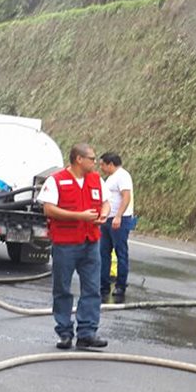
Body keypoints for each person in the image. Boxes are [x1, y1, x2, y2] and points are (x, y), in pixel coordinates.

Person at [38, 143, 109, 350]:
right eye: (92, 159)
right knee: (62, 288)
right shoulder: (56, 181)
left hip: (90, 242)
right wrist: (79, 216)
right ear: (79, 159)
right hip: (65, 244)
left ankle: (87, 332)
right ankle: (64, 332)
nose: (95, 162)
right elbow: (48, 209)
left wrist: (104, 213)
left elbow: (105, 201)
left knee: (92, 288)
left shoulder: (95, 180)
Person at [98, 151, 135, 302]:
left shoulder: (122, 176)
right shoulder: (110, 178)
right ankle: (103, 285)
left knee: (121, 252)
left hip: (119, 219)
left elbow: (126, 196)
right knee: (104, 252)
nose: (101, 168)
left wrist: (119, 215)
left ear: (111, 164)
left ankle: (121, 285)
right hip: (107, 218)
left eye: (103, 165)